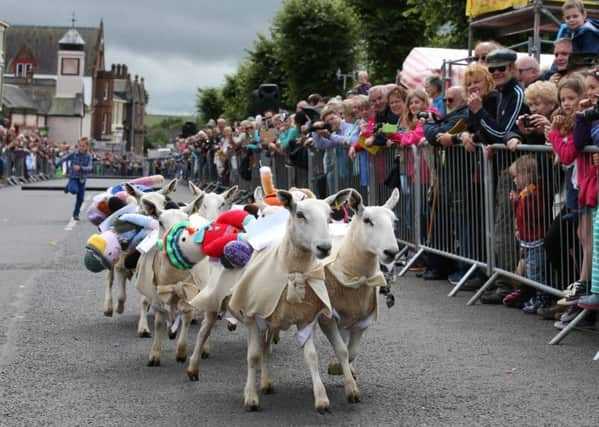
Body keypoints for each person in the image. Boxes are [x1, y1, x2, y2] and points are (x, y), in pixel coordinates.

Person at [546, 75, 594, 315]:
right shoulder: (571, 120)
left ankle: (585, 286)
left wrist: (553, 134)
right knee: (581, 235)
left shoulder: (582, 120)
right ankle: (582, 288)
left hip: (586, 186)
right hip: (578, 187)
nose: (566, 103)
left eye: (571, 98)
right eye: (562, 98)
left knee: (587, 237)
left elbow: (567, 153)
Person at [508, 155, 551, 313]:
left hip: (536, 239)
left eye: (516, 177)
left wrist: (518, 200)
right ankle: (538, 297)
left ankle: (543, 298)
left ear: (526, 174)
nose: (514, 181)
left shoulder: (533, 191)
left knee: (535, 271)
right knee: (531, 272)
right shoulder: (526, 192)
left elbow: (532, 213)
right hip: (527, 239)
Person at [55, 137, 93, 221]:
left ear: (87, 147)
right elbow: (65, 158)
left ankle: (76, 214)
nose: (81, 148)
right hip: (73, 177)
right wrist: (57, 164)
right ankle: (69, 186)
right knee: (74, 190)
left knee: (80, 198)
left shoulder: (88, 156)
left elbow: (90, 167)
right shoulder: (74, 154)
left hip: (82, 179)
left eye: (83, 146)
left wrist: (80, 168)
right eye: (79, 146)